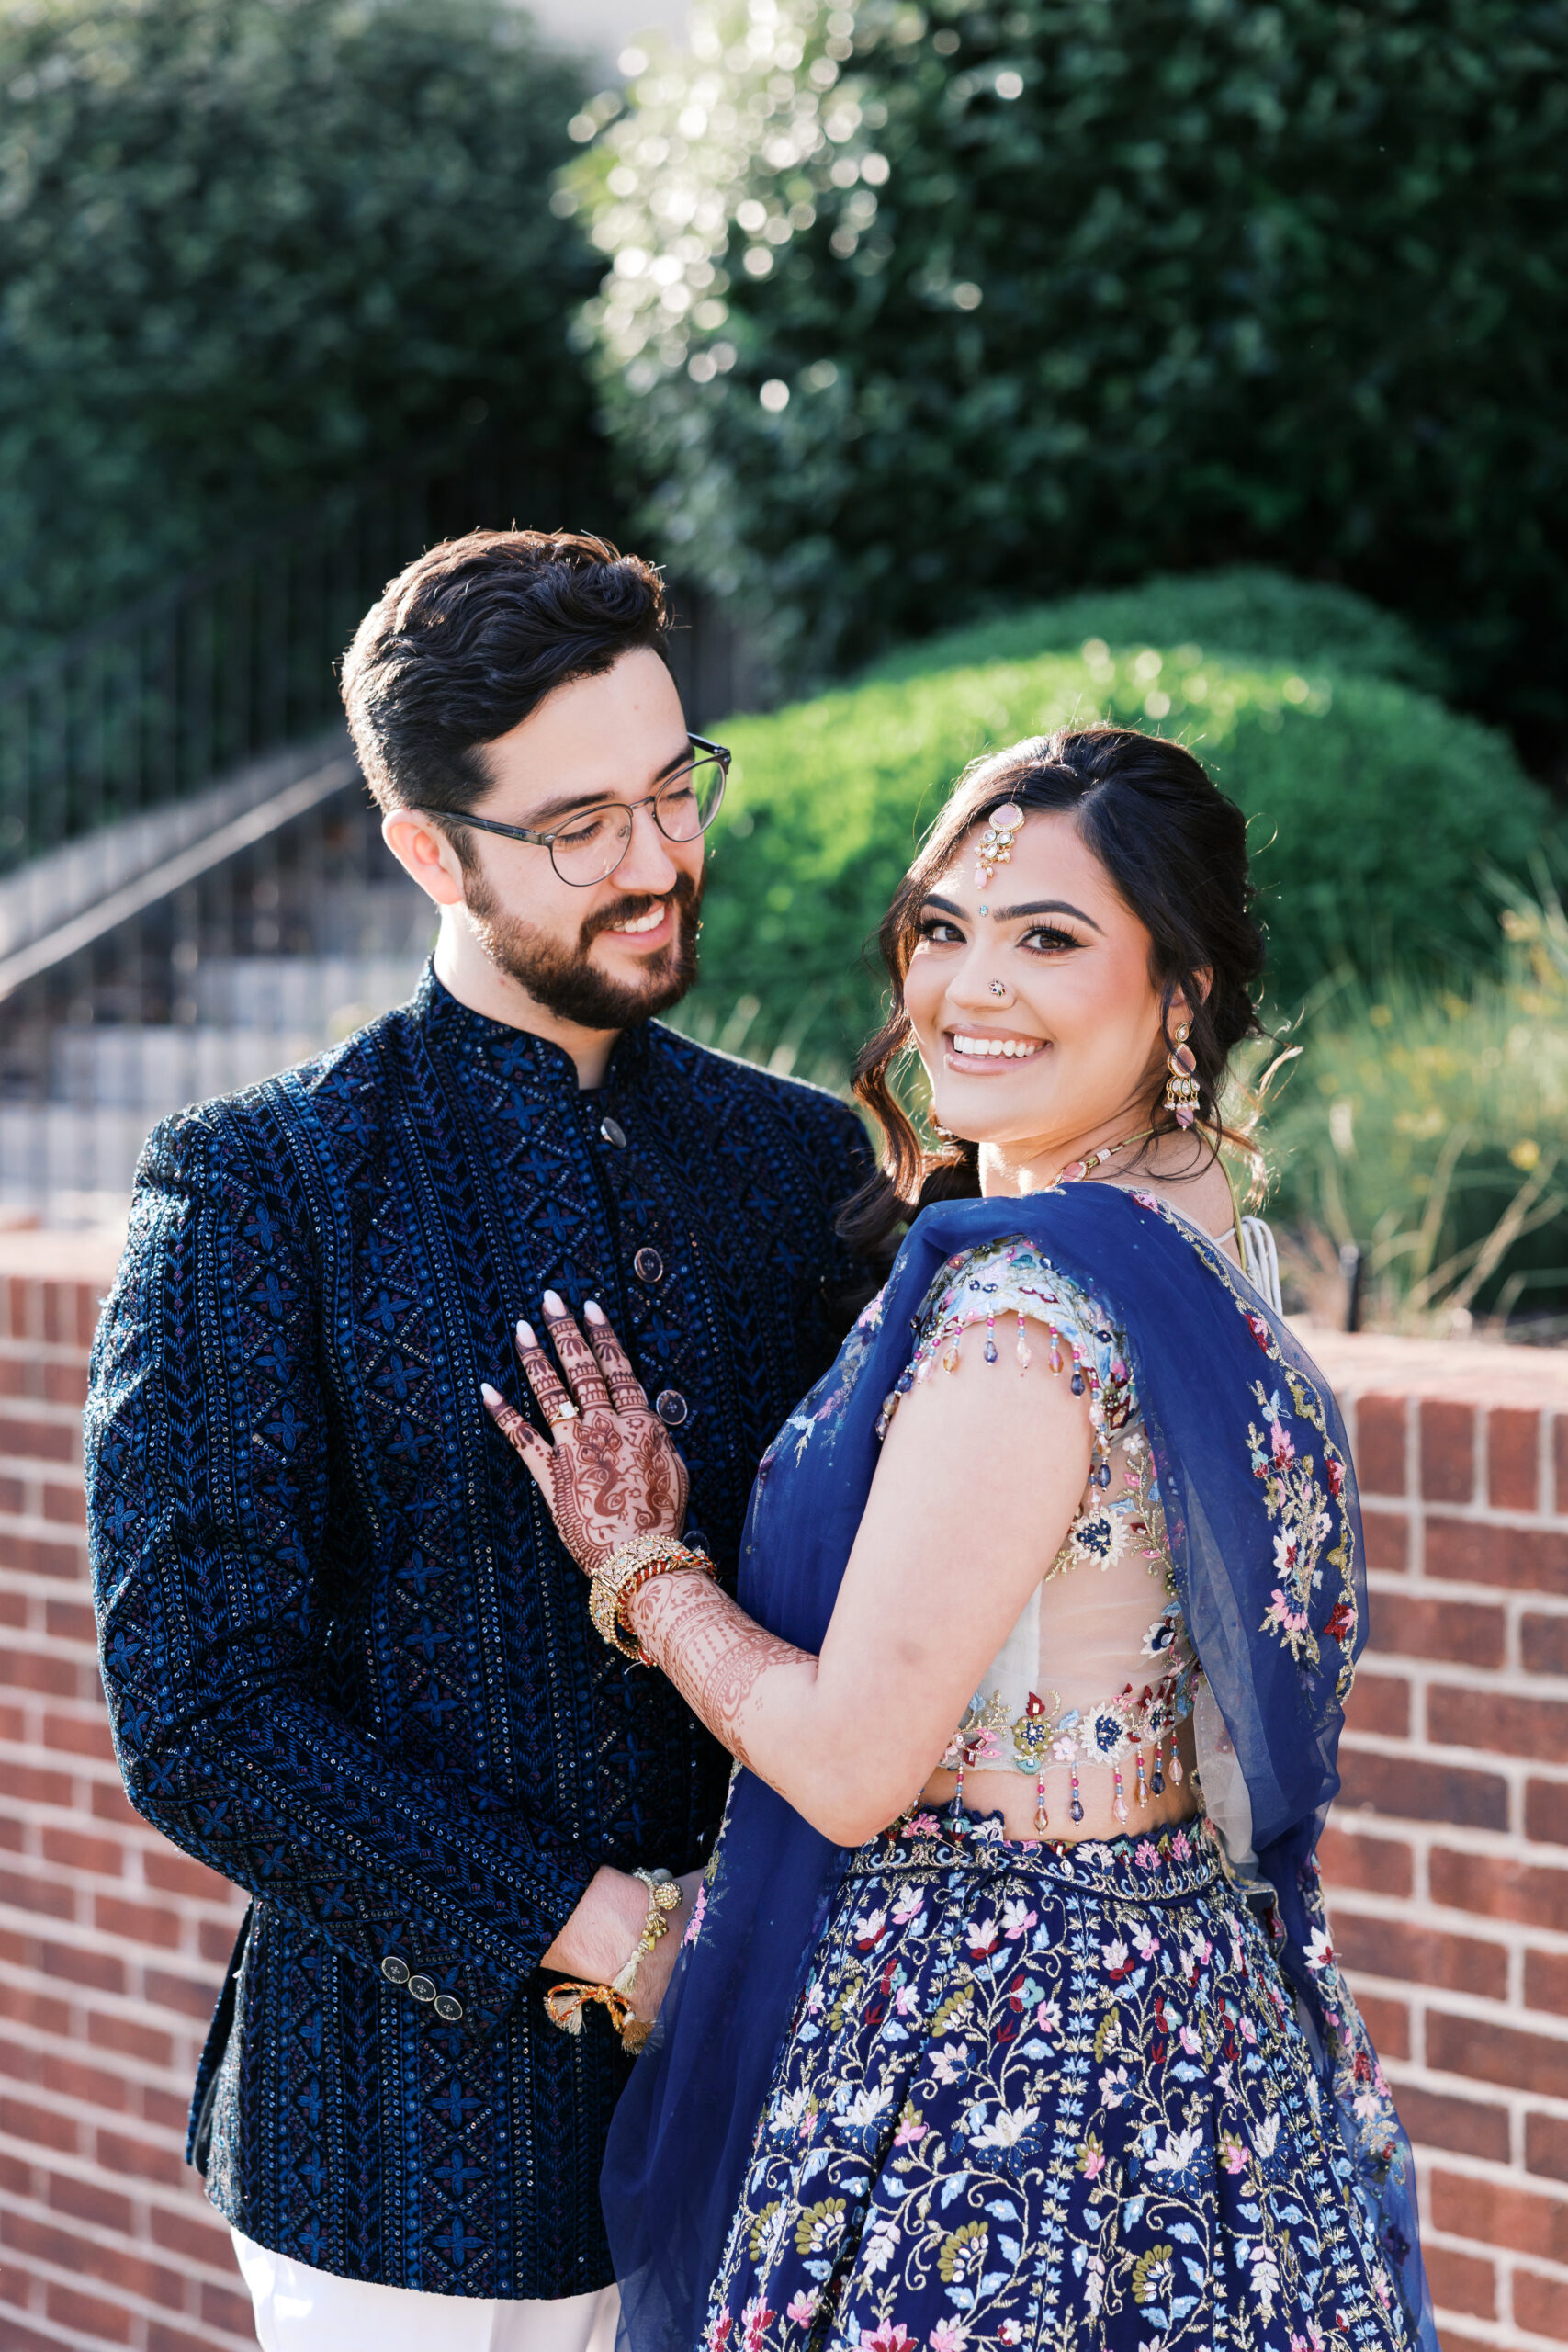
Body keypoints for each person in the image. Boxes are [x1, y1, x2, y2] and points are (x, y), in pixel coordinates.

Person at [483, 723, 1438, 2352]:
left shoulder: (1025, 1317)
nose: (967, 990)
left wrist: (641, 1567)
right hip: (1198, 2024)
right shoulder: (1218, 1256)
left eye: (1047, 940)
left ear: (1180, 993)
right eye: (942, 931)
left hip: (992, 2052)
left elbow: (854, 1762)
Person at [85, 530, 872, 2351]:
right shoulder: (261, 1182)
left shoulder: (802, 1166)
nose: (661, 856)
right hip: (400, 2181)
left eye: (675, 787)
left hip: (778, 2149)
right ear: (428, 849)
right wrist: (604, 1926)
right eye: (577, 825)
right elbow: (200, 1708)